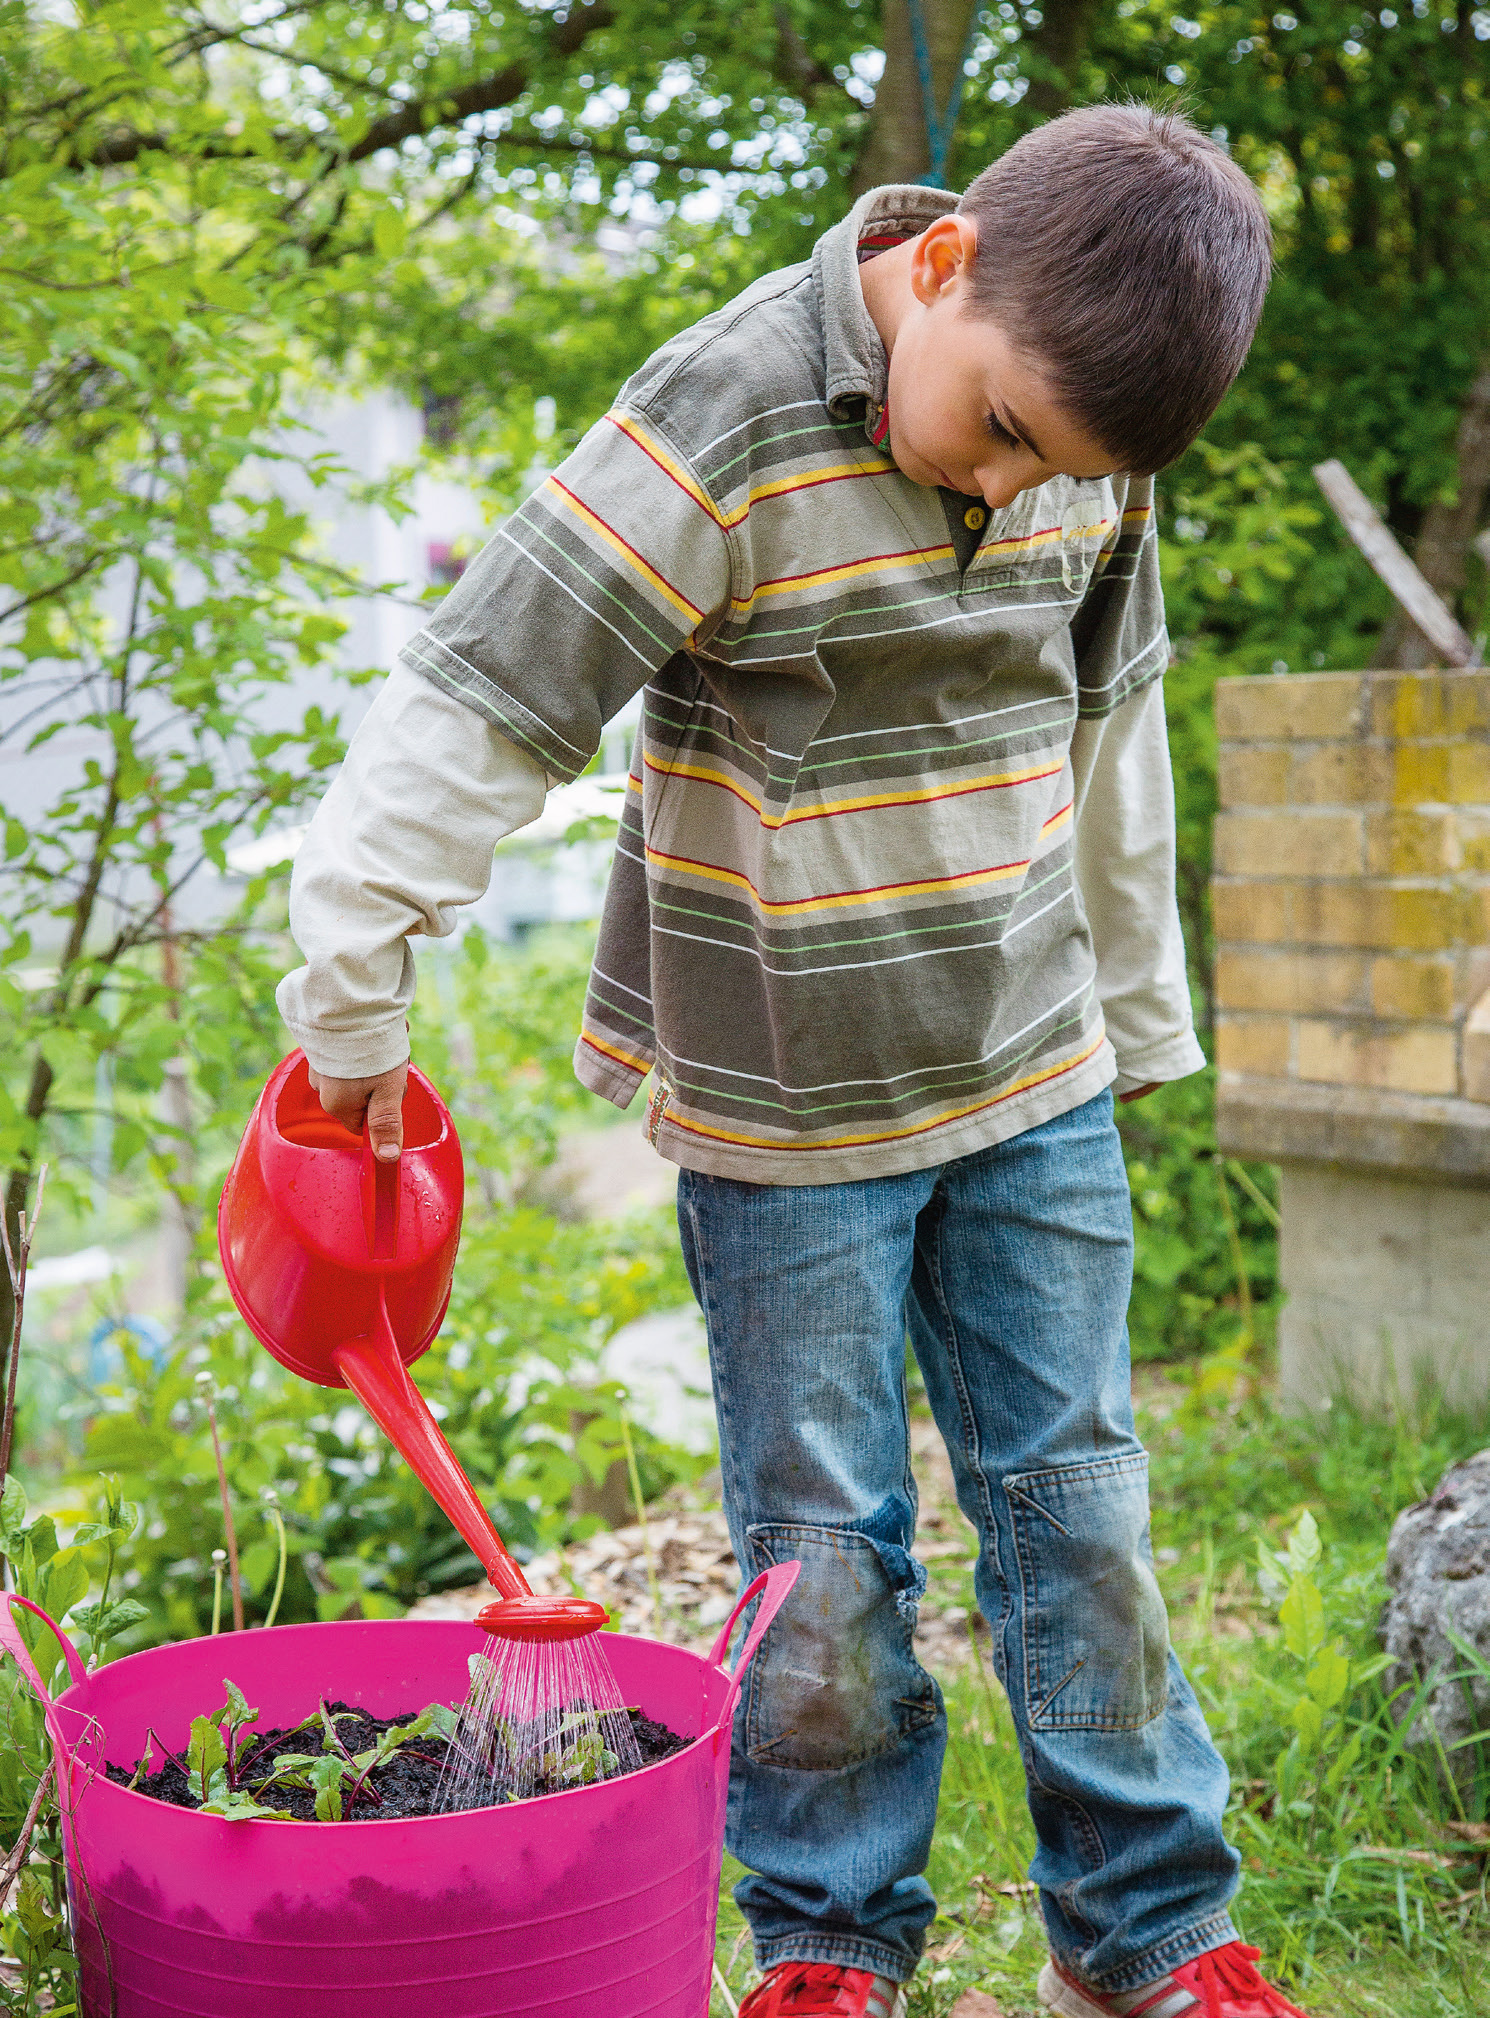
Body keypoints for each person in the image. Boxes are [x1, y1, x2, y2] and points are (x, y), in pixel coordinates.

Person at [278, 103, 1307, 2018]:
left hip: (1024, 1065)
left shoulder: (1089, 447)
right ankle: (830, 1939)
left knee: (1078, 1499)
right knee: (820, 1555)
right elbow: (478, 702)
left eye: (1050, 467)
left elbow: (1114, 729)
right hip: (782, 1106)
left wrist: (1142, 1012)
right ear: (939, 267)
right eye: (997, 425)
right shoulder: (722, 415)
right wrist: (352, 999)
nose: (1008, 484)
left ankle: (1151, 1924)